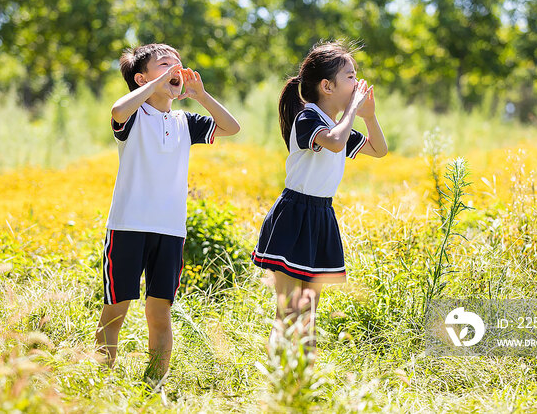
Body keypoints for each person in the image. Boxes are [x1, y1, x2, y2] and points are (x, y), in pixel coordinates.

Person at [95, 43, 240, 381]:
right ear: (141, 77)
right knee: (115, 312)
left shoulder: (184, 121)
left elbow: (231, 127)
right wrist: (152, 86)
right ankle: (100, 381)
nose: (176, 69)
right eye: (165, 64)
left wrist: (201, 95)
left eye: (179, 64)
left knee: (160, 313)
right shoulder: (133, 117)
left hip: (170, 230)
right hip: (128, 226)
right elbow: (117, 110)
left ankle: (154, 383)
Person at [251, 40, 387, 355]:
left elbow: (379, 150)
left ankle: (302, 383)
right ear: (327, 86)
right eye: (350, 77)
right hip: (294, 214)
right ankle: (280, 382)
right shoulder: (309, 119)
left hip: (321, 215)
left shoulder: (335, 124)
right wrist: (353, 109)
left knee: (308, 312)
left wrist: (368, 115)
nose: (357, 83)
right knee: (288, 311)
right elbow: (336, 143)